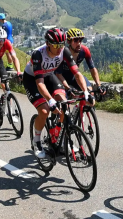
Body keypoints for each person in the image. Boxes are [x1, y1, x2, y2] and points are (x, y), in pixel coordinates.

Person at [23, 28, 95, 158]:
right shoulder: (38, 54)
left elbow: (77, 74)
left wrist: (85, 92)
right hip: (33, 80)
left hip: (49, 76)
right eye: (56, 45)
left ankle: (58, 134)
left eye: (61, 45)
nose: (59, 48)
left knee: (64, 103)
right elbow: (40, 83)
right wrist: (50, 100)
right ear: (48, 44)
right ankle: (37, 140)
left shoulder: (64, 51)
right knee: (44, 111)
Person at [55, 28, 106, 94]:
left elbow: (92, 68)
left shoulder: (85, 50)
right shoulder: (62, 53)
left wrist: (98, 85)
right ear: (69, 42)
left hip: (75, 77)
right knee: (64, 99)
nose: (79, 43)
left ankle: (84, 104)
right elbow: (58, 74)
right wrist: (68, 88)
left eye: (80, 40)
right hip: (61, 79)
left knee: (90, 93)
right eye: (75, 40)